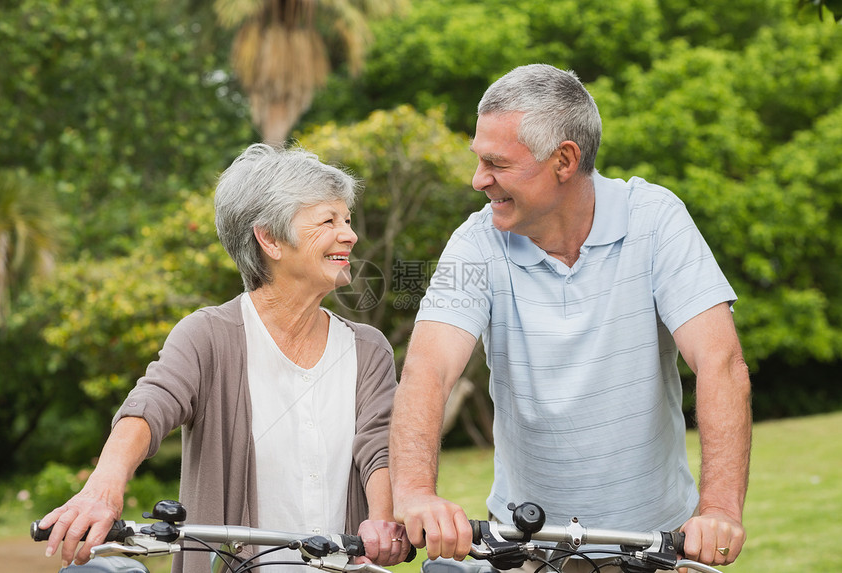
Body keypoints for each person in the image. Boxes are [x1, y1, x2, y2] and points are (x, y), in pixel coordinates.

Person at [389, 64, 751, 572]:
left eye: (496, 163)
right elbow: (428, 369)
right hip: (526, 547)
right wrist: (413, 494)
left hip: (659, 546)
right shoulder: (476, 244)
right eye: (478, 160)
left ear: (564, 160)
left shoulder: (655, 219)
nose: (478, 180)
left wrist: (719, 510)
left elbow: (721, 362)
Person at [39, 144, 411, 571]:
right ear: (269, 238)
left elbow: (379, 445)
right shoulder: (209, 336)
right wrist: (103, 488)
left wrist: (381, 521)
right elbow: (150, 407)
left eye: (347, 220)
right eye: (328, 220)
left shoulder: (368, 348)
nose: (349, 234)